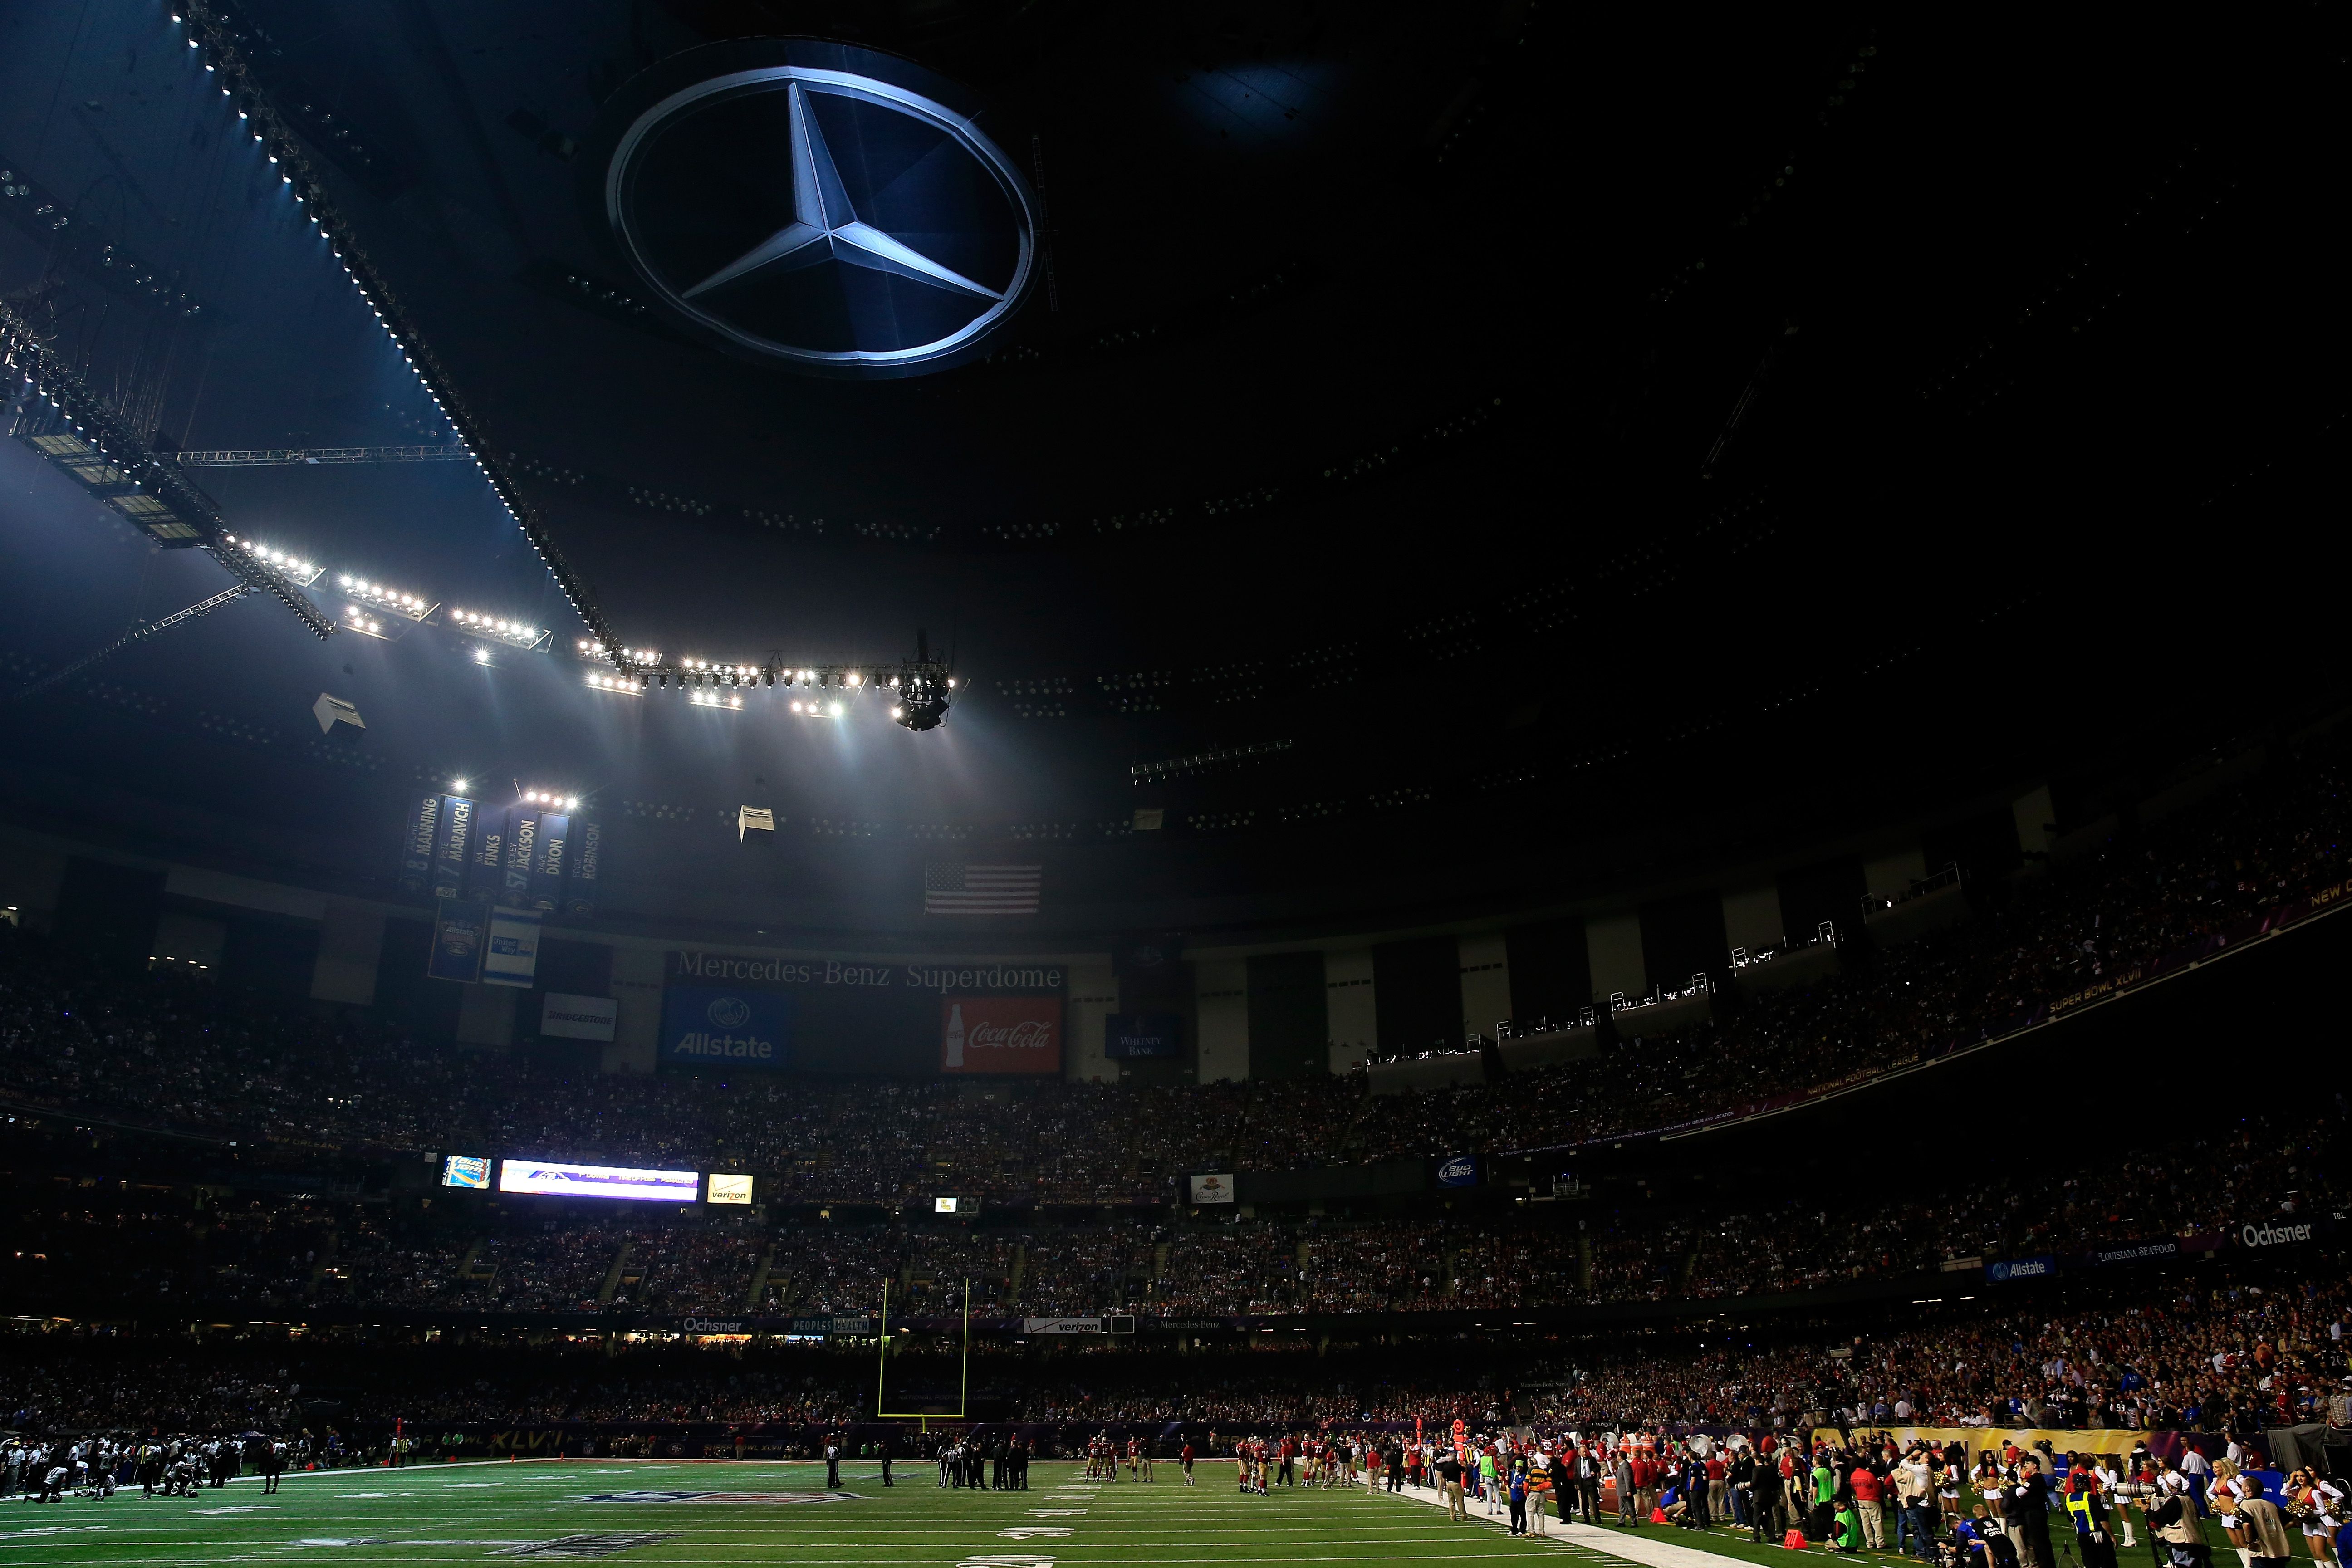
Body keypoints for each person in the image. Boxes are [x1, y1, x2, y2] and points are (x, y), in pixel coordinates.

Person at [1437, 1448, 1466, 1523]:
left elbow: (1444, 1476)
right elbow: (1465, 1470)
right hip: (1456, 1484)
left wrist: (1445, 1485)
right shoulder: (1457, 1466)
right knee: (1460, 1500)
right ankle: (1463, 1515)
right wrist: (1463, 1464)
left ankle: (1453, 1516)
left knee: (1451, 1501)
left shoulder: (1446, 1466)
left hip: (1448, 1484)